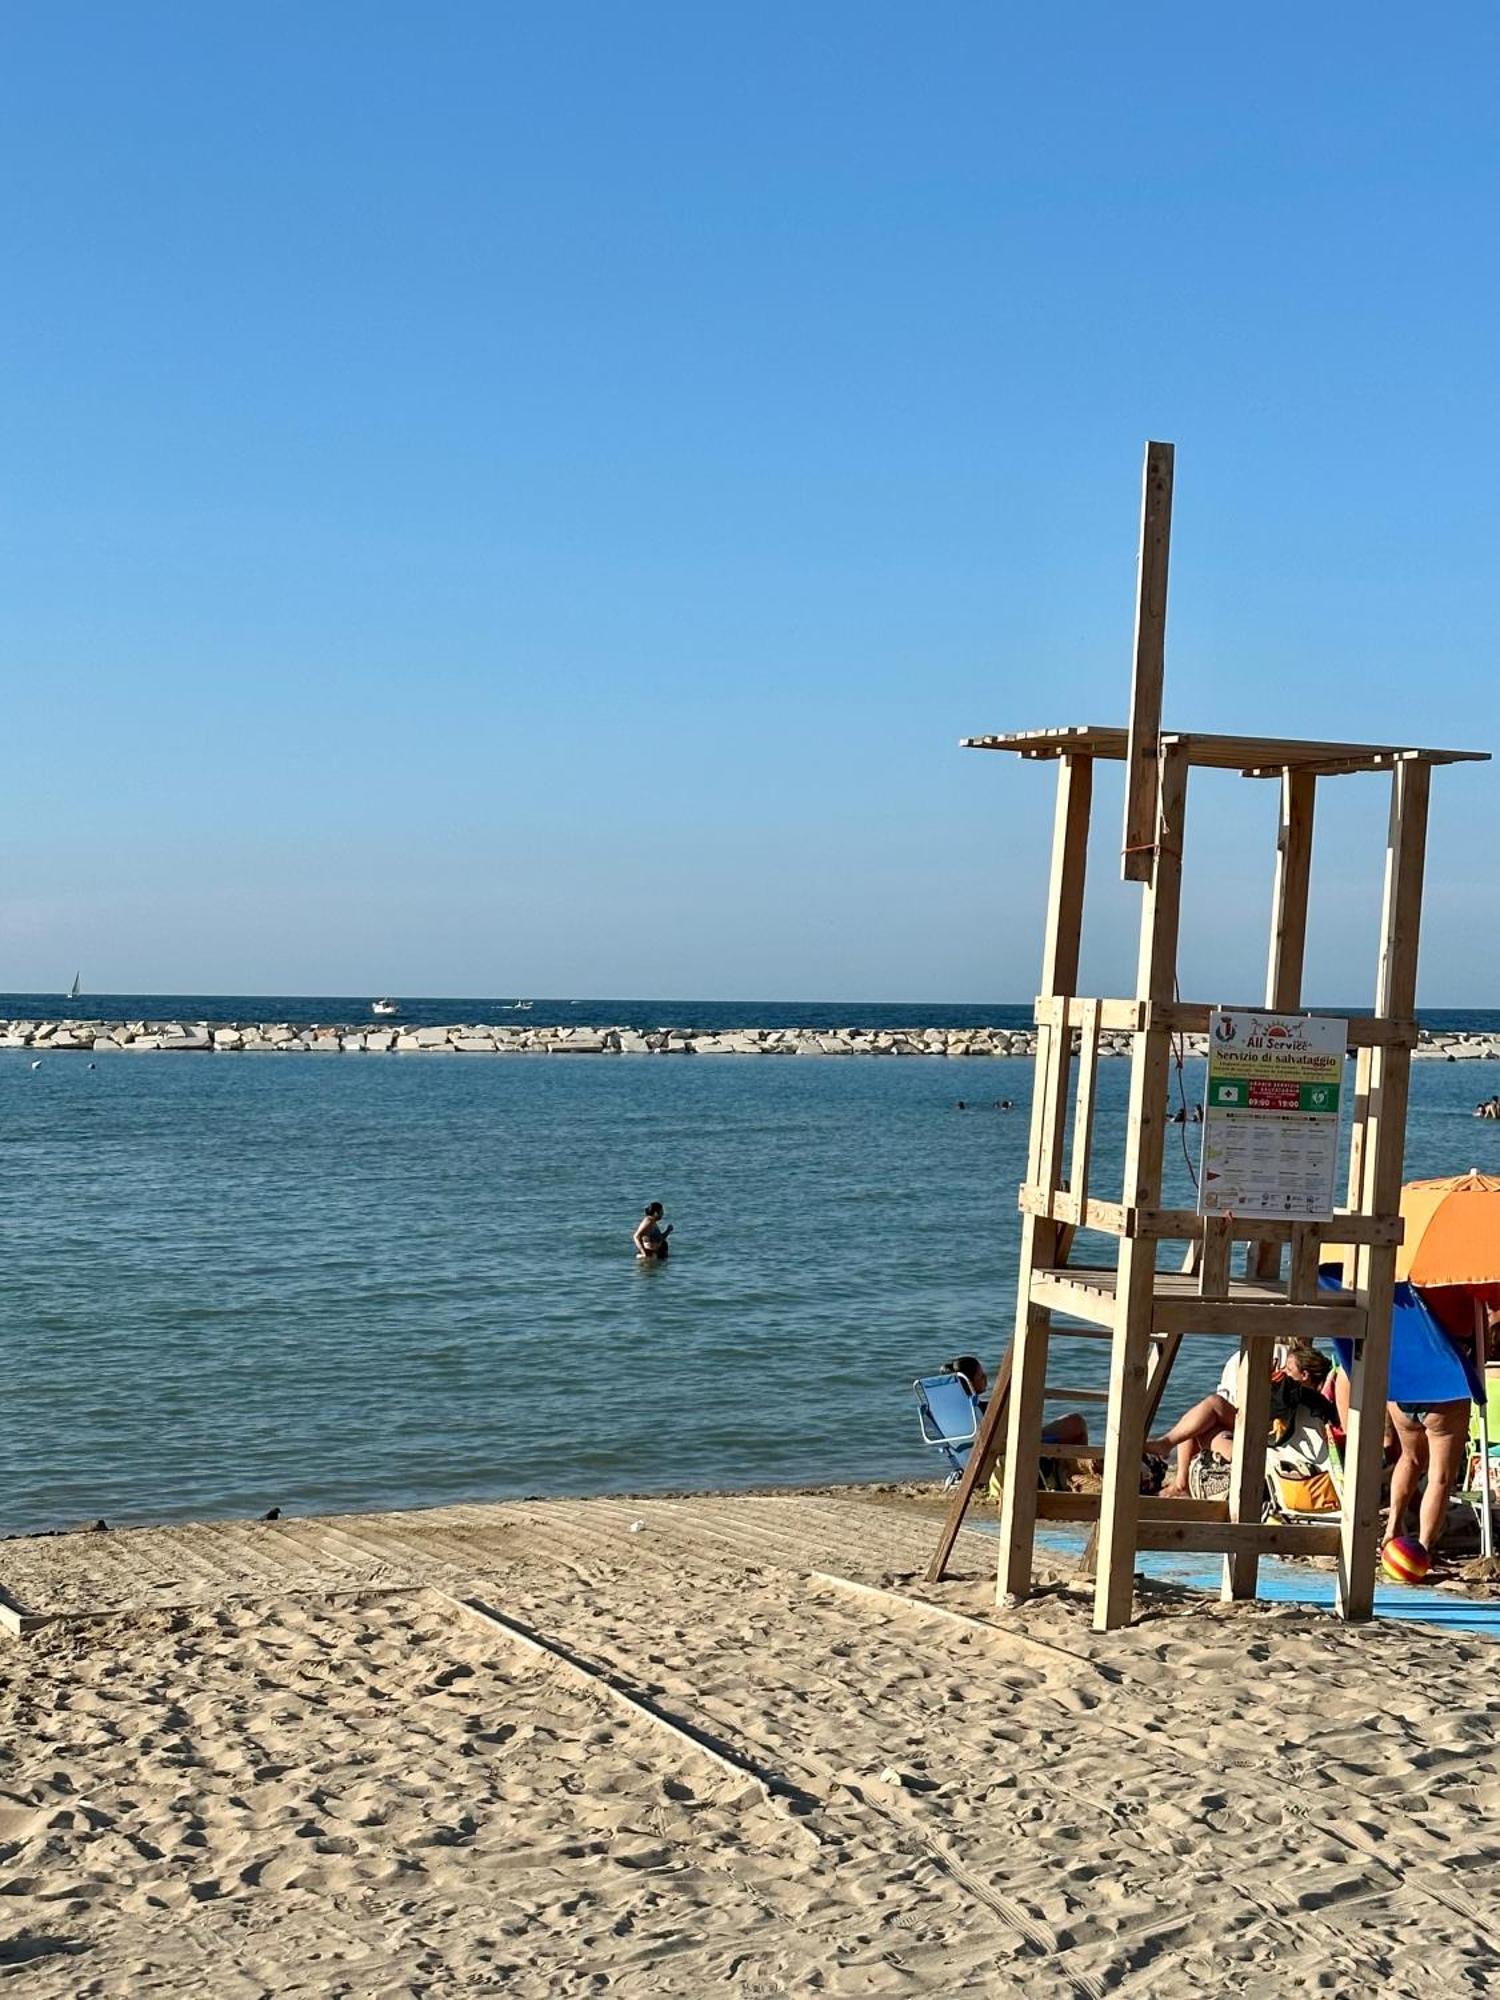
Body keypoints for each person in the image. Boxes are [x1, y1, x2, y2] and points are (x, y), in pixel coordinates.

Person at [1385, 1396, 1471, 1560]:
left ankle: (1392, 1528)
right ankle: (1423, 1549)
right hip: (1445, 1394)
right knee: (1440, 1477)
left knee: (1410, 1459)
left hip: (1403, 1394)